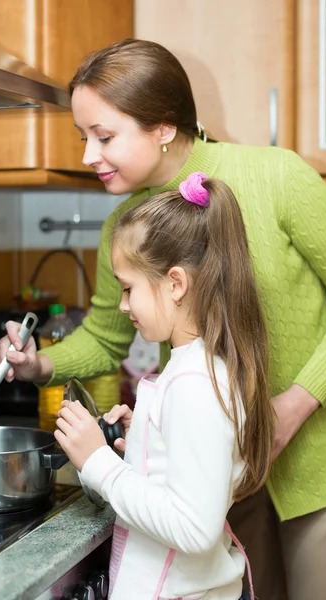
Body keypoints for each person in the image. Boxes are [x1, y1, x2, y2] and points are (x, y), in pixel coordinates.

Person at [0, 39, 326, 600]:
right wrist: (36, 361)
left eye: (105, 136)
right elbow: (104, 336)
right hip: (217, 476)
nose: (89, 154)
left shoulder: (277, 176)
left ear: (164, 127)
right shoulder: (124, 225)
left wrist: (294, 405)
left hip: (321, 462)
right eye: (83, 137)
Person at [55, 173, 274, 600]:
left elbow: (193, 529)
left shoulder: (197, 385)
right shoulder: (198, 370)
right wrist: (146, 439)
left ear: (175, 284)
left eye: (128, 288)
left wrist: (99, 462)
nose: (122, 305)